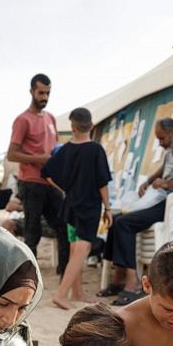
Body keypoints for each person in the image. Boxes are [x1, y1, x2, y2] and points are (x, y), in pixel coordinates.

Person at [99, 118, 173, 306]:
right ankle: (118, 278)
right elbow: (162, 171)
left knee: (125, 223)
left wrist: (167, 184)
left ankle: (132, 283)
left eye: (162, 138)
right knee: (115, 219)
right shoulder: (171, 152)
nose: (160, 143)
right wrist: (148, 181)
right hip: (161, 200)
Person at [42, 107, 113, 309]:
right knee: (83, 249)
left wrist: (64, 189)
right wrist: (108, 208)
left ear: (72, 128)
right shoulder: (96, 149)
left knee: (75, 248)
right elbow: (102, 182)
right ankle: (61, 294)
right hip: (88, 206)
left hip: (70, 205)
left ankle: (77, 292)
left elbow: (46, 173)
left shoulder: (65, 150)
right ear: (91, 125)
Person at [7, 73, 69, 273]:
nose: (44, 97)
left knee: (62, 226)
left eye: (48, 93)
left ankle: (63, 271)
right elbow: (12, 154)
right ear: (31, 91)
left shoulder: (50, 118)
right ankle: (29, 276)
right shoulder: (22, 120)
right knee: (32, 232)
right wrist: (39, 159)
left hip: (51, 183)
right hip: (31, 183)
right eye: (41, 93)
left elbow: (54, 148)